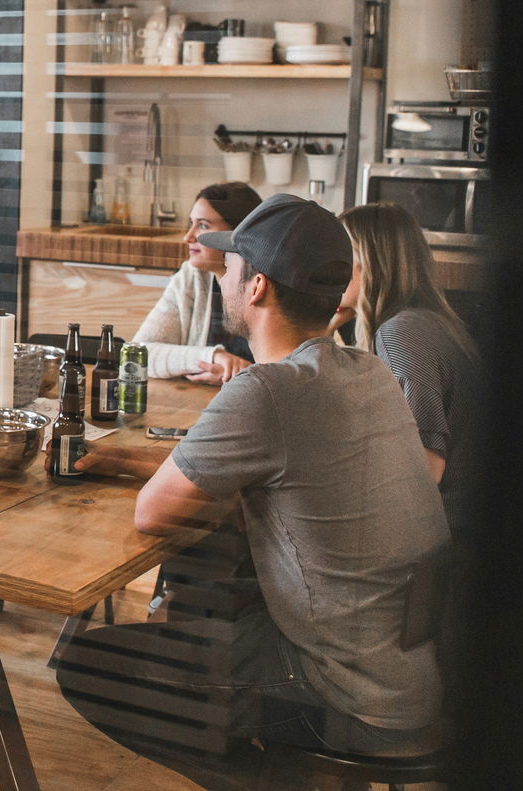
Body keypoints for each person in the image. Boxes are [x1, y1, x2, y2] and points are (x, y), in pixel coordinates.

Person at [54, 195, 451, 780]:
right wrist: (124, 460)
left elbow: (153, 514)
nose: (223, 276)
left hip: (341, 694)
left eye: (232, 264)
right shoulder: (366, 372)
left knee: (90, 666)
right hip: (404, 675)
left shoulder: (268, 390)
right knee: (213, 601)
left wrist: (142, 473)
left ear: (257, 286)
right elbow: (283, 477)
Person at [335, 202, 481, 544]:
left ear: (368, 261)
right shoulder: (424, 320)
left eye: (339, 254)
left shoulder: (402, 333)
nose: (328, 267)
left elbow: (422, 471)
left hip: (446, 537)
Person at [132, 181, 262, 384]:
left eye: (202, 225)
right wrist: (213, 357)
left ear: (237, 233)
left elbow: (288, 372)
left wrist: (236, 375)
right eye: (191, 223)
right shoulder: (190, 277)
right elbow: (138, 354)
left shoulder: (268, 285)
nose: (188, 237)